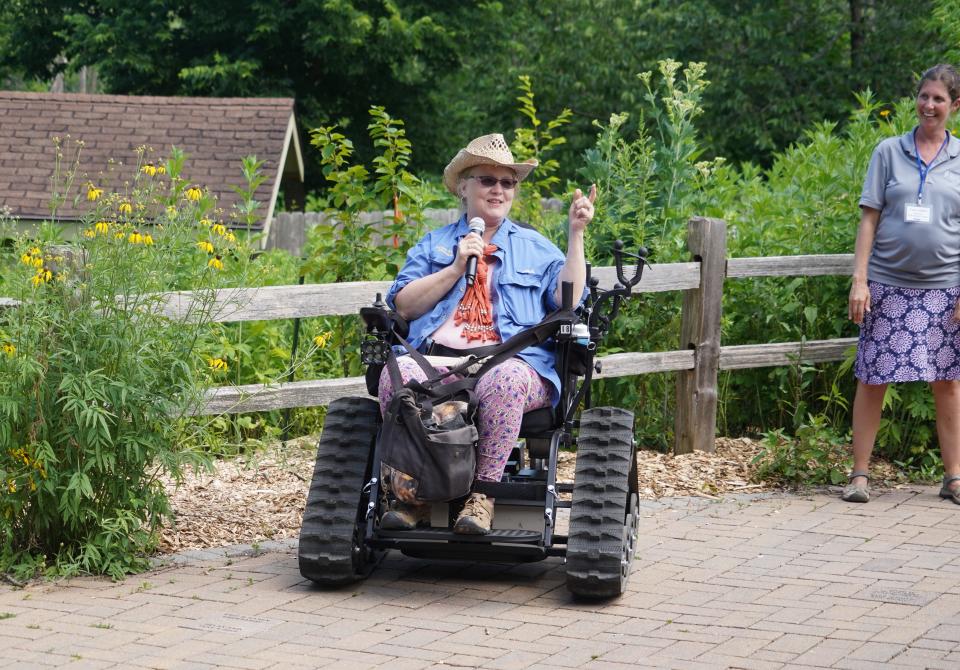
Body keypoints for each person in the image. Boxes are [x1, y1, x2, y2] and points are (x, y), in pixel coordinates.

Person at [377, 133, 596, 533]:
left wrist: (576, 234)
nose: (498, 189)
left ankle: (482, 497)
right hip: (438, 359)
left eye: (507, 182)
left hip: (513, 362)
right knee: (399, 376)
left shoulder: (536, 248)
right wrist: (456, 268)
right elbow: (404, 306)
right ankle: (413, 495)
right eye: (486, 180)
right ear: (463, 186)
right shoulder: (435, 245)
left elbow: (571, 299)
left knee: (504, 380)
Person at [845, 64, 960, 504]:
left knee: (948, 381)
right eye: (924, 96)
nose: (929, 105)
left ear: (954, 106)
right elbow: (869, 217)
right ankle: (859, 476)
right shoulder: (888, 152)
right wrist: (861, 279)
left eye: (939, 99)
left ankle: (952, 478)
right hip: (888, 284)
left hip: (945, 287)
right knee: (873, 378)